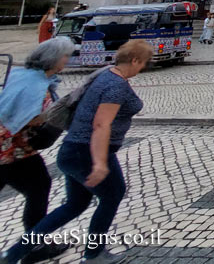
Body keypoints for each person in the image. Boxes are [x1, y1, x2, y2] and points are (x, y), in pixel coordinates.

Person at [5, 39, 152, 264]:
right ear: (134, 60)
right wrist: (101, 163)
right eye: (143, 63)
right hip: (86, 152)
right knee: (112, 195)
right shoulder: (115, 86)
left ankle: (14, 253)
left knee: (75, 204)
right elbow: (101, 125)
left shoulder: (105, 73)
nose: (143, 68)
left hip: (73, 149)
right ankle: (93, 254)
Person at [0, 37, 75, 263]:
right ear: (53, 59)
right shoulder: (37, 85)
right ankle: (34, 248)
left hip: (6, 148)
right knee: (39, 188)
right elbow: (29, 118)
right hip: (14, 150)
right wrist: (56, 115)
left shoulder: (20, 75)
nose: (67, 60)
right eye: (65, 56)